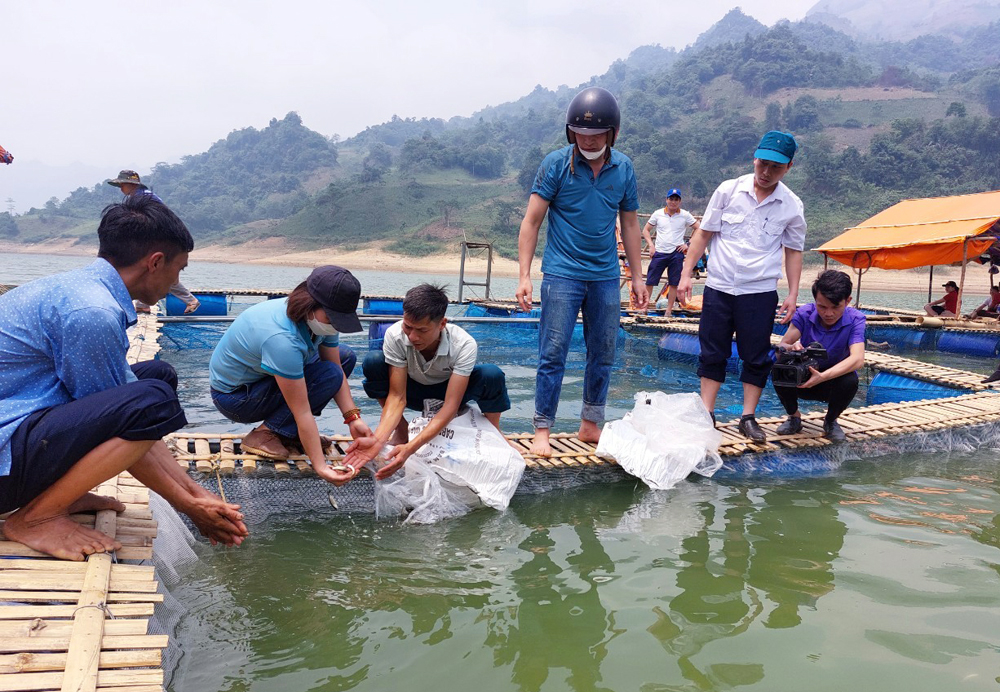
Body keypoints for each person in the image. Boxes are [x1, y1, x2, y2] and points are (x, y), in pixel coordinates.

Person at [0, 194, 247, 560]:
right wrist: (189, 504)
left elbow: (120, 405)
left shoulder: (80, 287)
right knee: (152, 401)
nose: (176, 284)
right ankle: (36, 517)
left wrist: (196, 493)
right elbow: (135, 417)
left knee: (156, 379)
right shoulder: (92, 312)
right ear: (155, 262)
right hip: (5, 458)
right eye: (178, 271)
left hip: (19, 427)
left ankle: (57, 493)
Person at [515, 87, 649, 457]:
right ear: (570, 133)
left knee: (604, 349)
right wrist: (525, 276)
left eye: (596, 135)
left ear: (613, 133)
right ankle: (542, 427)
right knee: (552, 351)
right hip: (561, 274)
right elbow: (531, 222)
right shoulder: (555, 164)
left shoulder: (624, 169)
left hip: (605, 275)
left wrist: (637, 278)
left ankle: (591, 424)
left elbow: (631, 225)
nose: (588, 140)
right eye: (581, 134)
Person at [677, 131, 806, 441]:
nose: (766, 173)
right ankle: (707, 413)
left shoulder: (791, 205)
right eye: (762, 164)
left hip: (759, 291)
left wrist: (792, 293)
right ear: (754, 158)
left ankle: (748, 417)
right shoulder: (728, 191)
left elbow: (794, 251)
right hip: (719, 286)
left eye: (775, 167)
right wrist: (684, 274)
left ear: (788, 167)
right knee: (712, 351)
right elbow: (703, 234)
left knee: (757, 355)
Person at [209, 266, 370, 484]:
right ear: (311, 304)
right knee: (327, 374)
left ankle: (286, 431)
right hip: (236, 398)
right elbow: (302, 410)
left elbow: (336, 365)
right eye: (332, 318)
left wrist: (353, 419)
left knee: (345, 357)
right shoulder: (281, 338)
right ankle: (265, 433)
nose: (335, 325)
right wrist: (321, 467)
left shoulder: (320, 321)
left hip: (263, 382)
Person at [344, 284, 511, 479]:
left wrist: (410, 449)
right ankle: (401, 429)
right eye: (408, 326)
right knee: (374, 362)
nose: (413, 336)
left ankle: (494, 433)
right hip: (412, 390)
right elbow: (397, 397)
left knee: (491, 375)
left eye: (422, 330)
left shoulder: (463, 344)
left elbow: (450, 406)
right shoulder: (395, 335)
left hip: (449, 393)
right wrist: (378, 442)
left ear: (442, 324)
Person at [772, 270, 865, 443]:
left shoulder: (856, 319)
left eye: (836, 307)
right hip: (804, 378)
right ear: (815, 300)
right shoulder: (805, 314)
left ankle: (830, 421)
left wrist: (822, 377)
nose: (828, 313)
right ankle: (794, 417)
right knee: (779, 367)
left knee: (850, 380)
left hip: (831, 381)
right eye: (822, 307)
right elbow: (782, 346)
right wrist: (790, 347)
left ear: (848, 301)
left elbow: (858, 359)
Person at [108, 169, 200, 314]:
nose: (121, 189)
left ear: (131, 184)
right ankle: (143, 304)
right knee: (154, 271)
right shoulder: (139, 197)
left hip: (161, 239)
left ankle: (189, 300)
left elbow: (156, 220)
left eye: (122, 185)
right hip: (158, 239)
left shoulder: (144, 199)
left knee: (157, 271)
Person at [641, 188, 700, 315]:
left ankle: (668, 310)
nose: (673, 202)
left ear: (680, 201)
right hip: (660, 252)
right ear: (666, 200)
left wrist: (688, 244)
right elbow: (646, 230)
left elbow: (699, 228)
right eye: (671, 199)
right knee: (650, 281)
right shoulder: (658, 214)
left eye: (676, 199)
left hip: (676, 252)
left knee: (674, 283)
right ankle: (644, 308)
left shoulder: (685, 215)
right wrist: (651, 245)